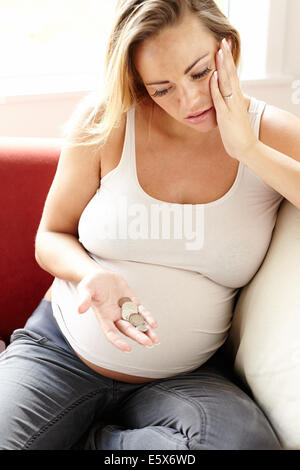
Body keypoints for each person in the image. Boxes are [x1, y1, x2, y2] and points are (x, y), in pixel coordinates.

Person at [1, 0, 300, 450]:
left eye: (200, 72)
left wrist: (248, 149)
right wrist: (91, 274)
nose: (190, 100)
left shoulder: (269, 133)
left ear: (228, 46)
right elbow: (51, 236)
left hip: (184, 377)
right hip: (60, 352)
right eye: (162, 89)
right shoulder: (106, 121)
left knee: (244, 444)